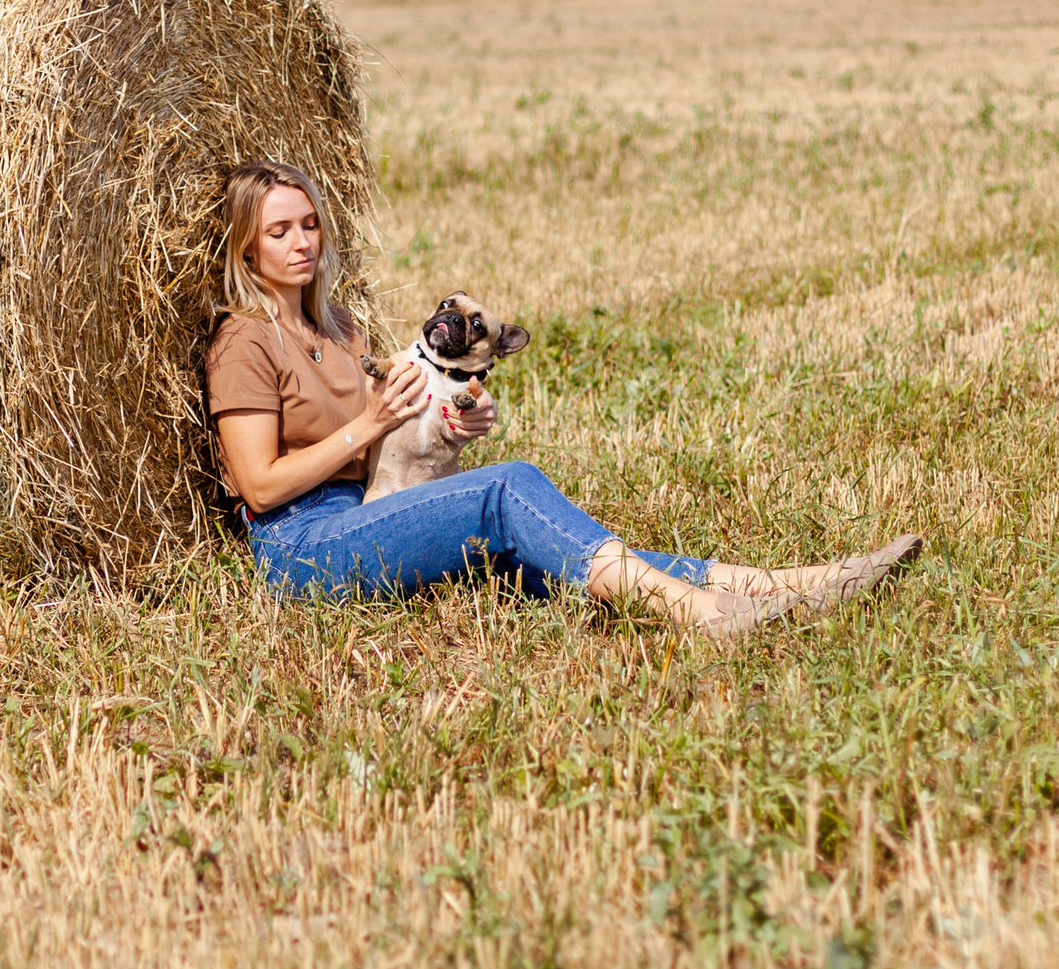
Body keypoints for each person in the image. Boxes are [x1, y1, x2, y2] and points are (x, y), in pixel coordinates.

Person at [206, 160, 923, 639]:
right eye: (279, 231)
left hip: (368, 513)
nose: (302, 241)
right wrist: (368, 421)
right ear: (247, 248)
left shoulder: (338, 327)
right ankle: (707, 616)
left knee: (549, 547)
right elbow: (260, 487)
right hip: (302, 547)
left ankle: (788, 583)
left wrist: (449, 426)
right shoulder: (244, 341)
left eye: (309, 223)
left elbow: (379, 455)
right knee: (507, 490)